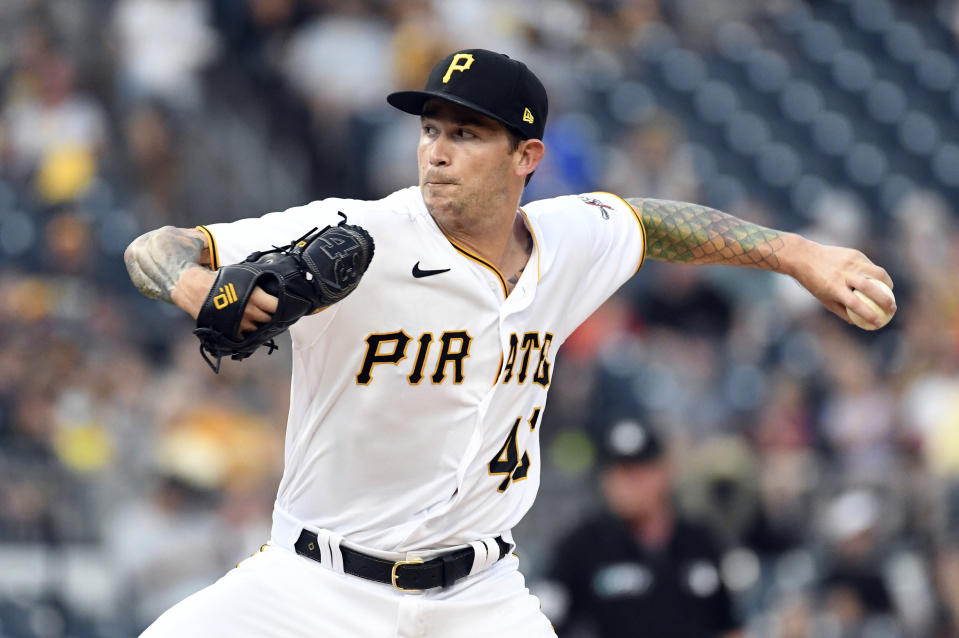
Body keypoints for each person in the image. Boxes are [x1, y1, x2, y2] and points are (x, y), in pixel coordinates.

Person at [123, 48, 896, 637]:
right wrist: (198, 287)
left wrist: (800, 255)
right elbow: (154, 247)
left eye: (465, 133)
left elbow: (653, 222)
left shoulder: (570, 241)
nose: (436, 150)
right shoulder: (359, 235)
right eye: (430, 130)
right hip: (314, 587)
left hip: (478, 597)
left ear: (527, 157)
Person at [539, 419, 743, 638]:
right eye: (616, 473)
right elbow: (542, 619)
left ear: (663, 472)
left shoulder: (700, 541)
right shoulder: (581, 546)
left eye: (636, 473)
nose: (625, 486)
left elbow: (728, 626)